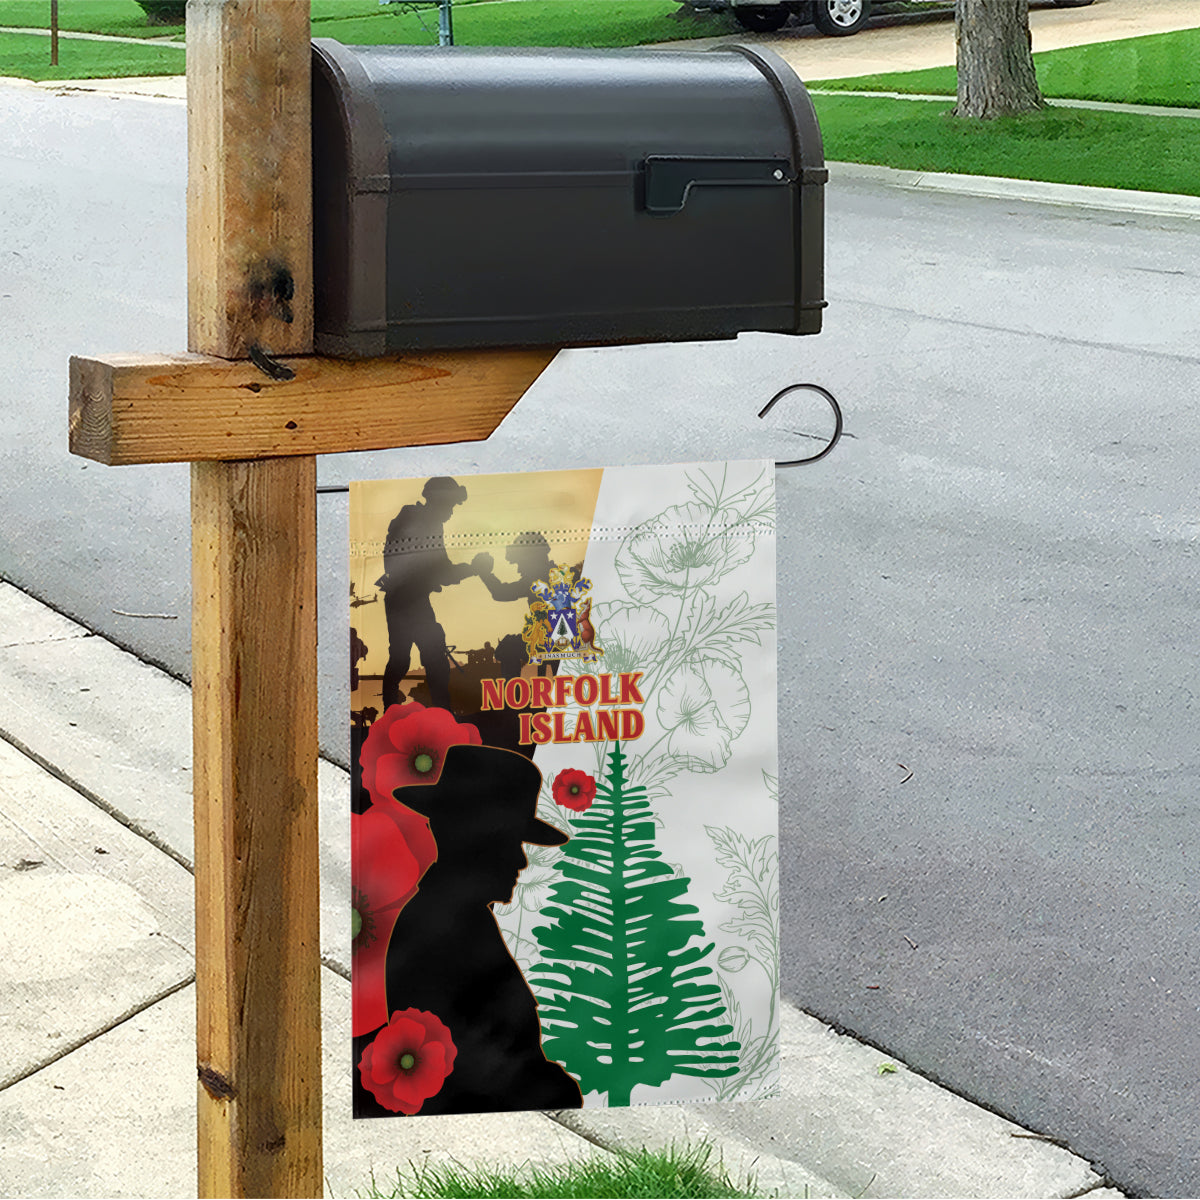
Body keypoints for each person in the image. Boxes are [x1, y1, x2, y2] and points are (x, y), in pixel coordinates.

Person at [353, 744, 582, 1116]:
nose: (522, 859)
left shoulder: (457, 919)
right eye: (509, 840)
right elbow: (471, 1070)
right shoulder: (442, 932)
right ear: (473, 840)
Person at [377, 477, 490, 710]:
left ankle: (437, 712)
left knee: (422, 657)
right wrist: (472, 569)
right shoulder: (415, 520)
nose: (451, 512)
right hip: (405, 601)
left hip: (413, 600)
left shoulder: (427, 523)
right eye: (449, 506)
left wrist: (470, 569)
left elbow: (441, 570)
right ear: (438, 501)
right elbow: (433, 570)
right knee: (407, 659)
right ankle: (412, 711)